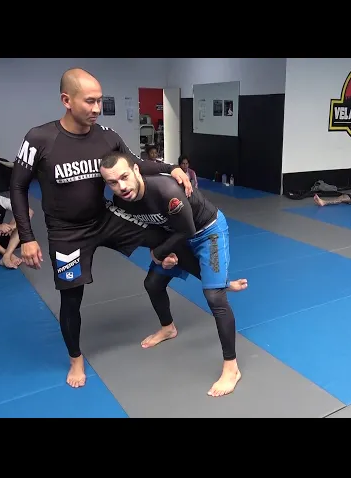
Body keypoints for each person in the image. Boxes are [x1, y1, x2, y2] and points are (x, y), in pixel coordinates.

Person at [10, 67, 202, 389]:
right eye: (90, 101)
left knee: (165, 236)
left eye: (100, 101)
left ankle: (213, 283)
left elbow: (136, 164)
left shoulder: (106, 136)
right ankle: (75, 359)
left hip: (104, 217)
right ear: (66, 100)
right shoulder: (39, 139)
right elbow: (17, 186)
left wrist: (172, 169)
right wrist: (27, 238)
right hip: (66, 233)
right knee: (71, 298)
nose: (97, 108)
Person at [100, 151, 247, 398]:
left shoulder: (166, 190)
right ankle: (168, 328)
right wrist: (162, 253)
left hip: (206, 231)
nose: (121, 187)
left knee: (214, 297)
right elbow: (147, 230)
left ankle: (231, 368)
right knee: (153, 283)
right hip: (174, 235)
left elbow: (188, 230)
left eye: (124, 177)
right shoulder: (123, 201)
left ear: (136, 171)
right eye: (112, 182)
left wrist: (160, 252)